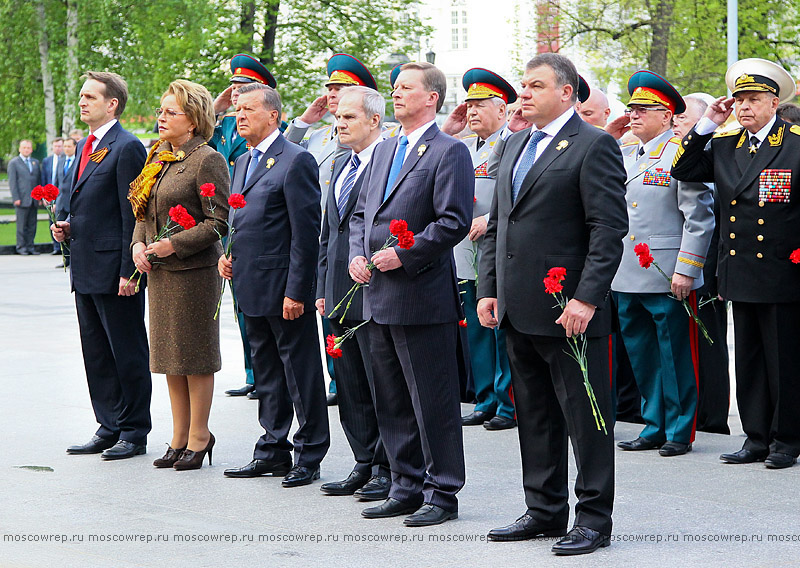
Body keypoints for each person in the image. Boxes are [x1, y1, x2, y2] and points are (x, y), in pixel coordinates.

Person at [477, 53, 627, 554]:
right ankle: (543, 509)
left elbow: (607, 230)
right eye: (523, 84)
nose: (524, 93)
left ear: (567, 92)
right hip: (518, 307)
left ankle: (592, 519)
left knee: (586, 417)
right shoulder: (516, 142)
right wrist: (489, 288)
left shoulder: (595, 145)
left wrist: (586, 297)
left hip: (570, 312)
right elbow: (500, 224)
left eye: (536, 85)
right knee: (536, 416)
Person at [349, 61, 473, 527]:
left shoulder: (448, 151)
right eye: (394, 88)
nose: (396, 95)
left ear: (432, 99)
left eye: (406, 88)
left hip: (420, 295)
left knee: (432, 400)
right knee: (392, 397)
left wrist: (406, 253)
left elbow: (453, 220)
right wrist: (356, 255)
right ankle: (404, 484)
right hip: (377, 293)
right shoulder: (384, 150)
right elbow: (362, 213)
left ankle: (442, 492)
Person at [672, 58, 800, 469]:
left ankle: (786, 439)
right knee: (747, 359)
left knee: (783, 360)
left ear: (774, 103)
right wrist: (707, 122)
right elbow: (684, 169)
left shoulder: (795, 143)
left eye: (754, 99)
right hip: (740, 270)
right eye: (739, 100)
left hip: (784, 270)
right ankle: (756, 436)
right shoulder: (726, 145)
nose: (744, 107)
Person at [220, 83, 330, 487]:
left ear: (273, 115)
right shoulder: (242, 161)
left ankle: (310, 452)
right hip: (250, 285)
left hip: (284, 289)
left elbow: (306, 233)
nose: (240, 116)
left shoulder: (295, 160)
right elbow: (244, 221)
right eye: (237, 110)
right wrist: (228, 255)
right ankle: (272, 449)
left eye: (248, 109)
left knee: (300, 373)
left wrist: (296, 291)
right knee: (266, 372)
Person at [609, 71, 714, 457]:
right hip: (626, 271)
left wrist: (687, 269)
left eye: (643, 109)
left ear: (668, 115)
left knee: (675, 355)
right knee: (641, 353)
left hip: (667, 271)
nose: (633, 115)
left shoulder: (681, 154)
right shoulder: (622, 153)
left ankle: (679, 429)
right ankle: (653, 424)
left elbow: (699, 217)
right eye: (631, 109)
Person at [129, 80, 231, 470]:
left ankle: (200, 436)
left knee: (196, 356)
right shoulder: (157, 156)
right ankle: (178, 435)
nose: (161, 118)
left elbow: (218, 222)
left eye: (171, 112)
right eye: (160, 111)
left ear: (193, 121)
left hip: (194, 273)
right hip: (160, 273)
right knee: (170, 357)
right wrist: (139, 245)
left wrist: (174, 244)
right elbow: (143, 212)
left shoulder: (207, 159)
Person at [52, 71, 151, 460]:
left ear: (112, 104)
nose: (82, 102)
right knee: (96, 351)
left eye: (90, 96)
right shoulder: (85, 146)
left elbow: (134, 215)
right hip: (87, 266)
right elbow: (91, 204)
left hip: (116, 271)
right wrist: (69, 227)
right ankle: (108, 424)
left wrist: (131, 270)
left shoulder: (126, 147)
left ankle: (134, 430)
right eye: (81, 96)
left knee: (126, 351)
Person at [286, 53, 378, 406]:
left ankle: (353, 383)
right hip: (322, 234)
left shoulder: (368, 136)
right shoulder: (321, 135)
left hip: (358, 244)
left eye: (342, 88)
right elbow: (283, 157)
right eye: (330, 88)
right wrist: (304, 121)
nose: (333, 94)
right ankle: (338, 379)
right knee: (329, 315)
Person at [315, 86, 391, 501]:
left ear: (374, 121)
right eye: (337, 118)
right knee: (349, 382)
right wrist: (324, 288)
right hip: (339, 292)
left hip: (375, 289)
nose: (339, 124)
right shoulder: (343, 163)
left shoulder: (389, 160)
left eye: (349, 118)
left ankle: (387, 465)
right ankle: (363, 461)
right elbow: (330, 234)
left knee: (381, 383)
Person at [442, 68, 517, 430]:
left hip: (496, 246)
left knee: (499, 324)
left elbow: (517, 195)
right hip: (465, 250)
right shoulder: (463, 146)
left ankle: (507, 403)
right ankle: (485, 398)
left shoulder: (513, 143)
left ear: (502, 110)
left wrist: (489, 218)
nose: (471, 112)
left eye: (480, 105)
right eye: (468, 105)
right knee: (475, 327)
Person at [210, 53, 277, 399]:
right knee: (240, 302)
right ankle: (253, 371)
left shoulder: (266, 127)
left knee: (259, 303)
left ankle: (264, 371)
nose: (235, 94)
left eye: (245, 89)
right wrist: (215, 109)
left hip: (259, 220)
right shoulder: (222, 124)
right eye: (234, 87)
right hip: (230, 219)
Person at [672, 93, 731, 435]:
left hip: (709, 264)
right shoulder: (679, 154)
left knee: (709, 341)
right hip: (685, 262)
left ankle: (713, 417)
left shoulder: (713, 152)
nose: (676, 122)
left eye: (683, 118)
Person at [8, 139, 41, 255]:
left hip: (34, 200)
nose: (26, 150)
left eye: (28, 148)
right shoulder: (14, 163)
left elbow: (38, 181)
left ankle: (30, 246)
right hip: (21, 199)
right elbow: (13, 182)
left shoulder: (35, 162)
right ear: (20, 149)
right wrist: (15, 197)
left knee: (32, 225)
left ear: (31, 149)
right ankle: (21, 247)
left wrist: (40, 197)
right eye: (24, 148)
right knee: (21, 225)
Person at [54, 137, 78, 269]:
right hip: (61, 200)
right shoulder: (61, 160)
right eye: (65, 146)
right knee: (60, 230)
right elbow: (57, 181)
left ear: (75, 147)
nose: (66, 149)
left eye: (69, 146)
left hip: (72, 201)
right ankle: (65, 258)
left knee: (72, 231)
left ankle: (73, 258)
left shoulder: (78, 161)